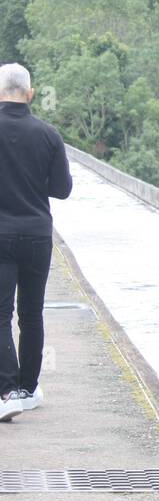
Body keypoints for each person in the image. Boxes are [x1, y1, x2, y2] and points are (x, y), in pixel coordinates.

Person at [0, 63, 72, 423]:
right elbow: (61, 189)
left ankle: (7, 390)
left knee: (0, 314)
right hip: (37, 234)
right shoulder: (49, 134)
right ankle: (27, 389)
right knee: (31, 313)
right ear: (29, 93)